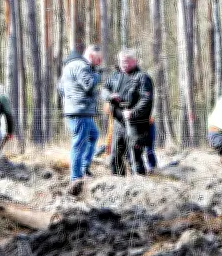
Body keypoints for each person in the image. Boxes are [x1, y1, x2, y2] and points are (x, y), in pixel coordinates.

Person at [101, 49, 154, 176]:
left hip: (137, 124)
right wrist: (110, 96)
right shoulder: (115, 76)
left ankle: (139, 183)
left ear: (134, 61)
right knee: (115, 155)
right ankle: (117, 182)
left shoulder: (142, 78)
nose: (123, 64)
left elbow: (146, 100)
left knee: (134, 156)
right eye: (121, 62)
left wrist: (133, 112)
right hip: (118, 122)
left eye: (127, 62)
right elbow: (104, 89)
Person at [59, 44, 103, 187]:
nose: (99, 63)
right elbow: (89, 84)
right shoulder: (81, 66)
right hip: (79, 111)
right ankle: (76, 177)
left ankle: (84, 169)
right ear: (91, 56)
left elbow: (60, 88)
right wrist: (98, 75)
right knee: (79, 143)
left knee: (93, 135)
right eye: (98, 59)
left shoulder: (71, 66)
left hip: (76, 109)